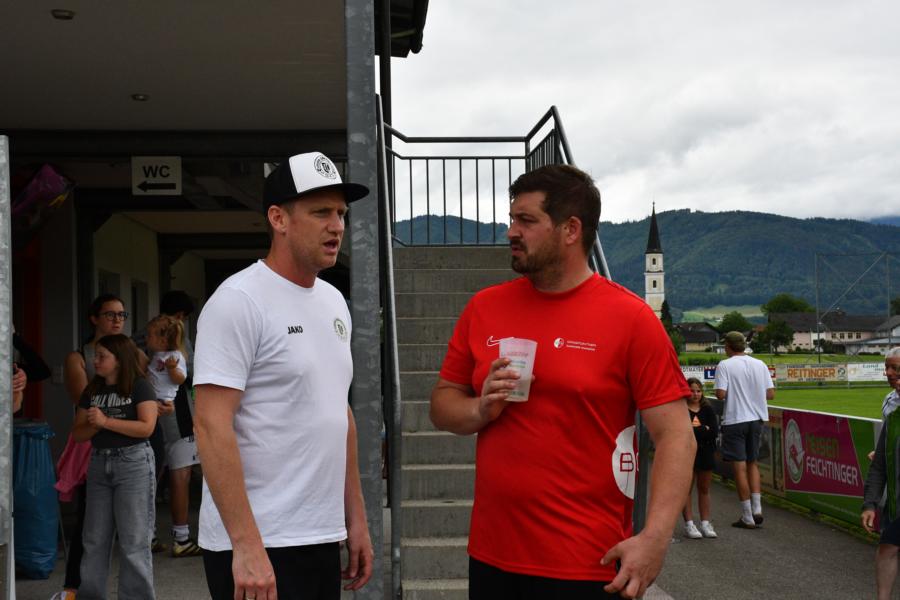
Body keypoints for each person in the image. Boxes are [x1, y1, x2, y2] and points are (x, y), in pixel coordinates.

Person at [430, 164, 695, 600]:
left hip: (589, 565)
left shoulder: (631, 318)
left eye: (526, 220)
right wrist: (481, 408)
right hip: (493, 558)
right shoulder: (484, 308)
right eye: (511, 219)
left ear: (571, 230)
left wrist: (654, 538)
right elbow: (442, 406)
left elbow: (677, 437)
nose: (511, 232)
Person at [193, 151, 374, 600]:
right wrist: (246, 545)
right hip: (259, 544)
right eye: (320, 212)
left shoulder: (333, 301)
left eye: (341, 213)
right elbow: (211, 424)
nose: (337, 226)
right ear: (278, 219)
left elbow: (338, 412)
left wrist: (356, 517)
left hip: (319, 535)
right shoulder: (238, 300)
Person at [53, 294, 130, 600]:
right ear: (94, 318)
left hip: (129, 442)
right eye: (110, 314)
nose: (117, 320)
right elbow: (84, 399)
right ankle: (73, 588)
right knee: (90, 521)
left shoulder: (132, 353)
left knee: (132, 527)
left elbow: (144, 394)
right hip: (91, 444)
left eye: (121, 315)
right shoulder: (79, 357)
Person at [72, 334, 158, 600]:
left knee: (134, 540)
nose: (95, 361)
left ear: (119, 359)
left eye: (102, 356)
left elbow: (147, 427)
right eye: (95, 356)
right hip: (99, 462)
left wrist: (105, 422)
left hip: (133, 463)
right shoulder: (92, 390)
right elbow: (78, 433)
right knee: (94, 539)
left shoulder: (140, 386)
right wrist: (95, 425)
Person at [145, 313, 202, 557]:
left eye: (149, 334)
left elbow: (183, 376)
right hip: (162, 415)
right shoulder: (150, 355)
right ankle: (178, 537)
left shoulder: (175, 355)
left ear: (163, 338)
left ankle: (172, 536)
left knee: (171, 475)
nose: (145, 337)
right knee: (174, 476)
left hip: (174, 416)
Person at [714, 330, 774, 529]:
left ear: (728, 346)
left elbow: (720, 394)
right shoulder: (760, 364)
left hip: (735, 419)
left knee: (739, 467)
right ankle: (757, 509)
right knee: (752, 464)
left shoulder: (725, 365)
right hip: (756, 418)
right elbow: (770, 394)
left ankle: (747, 515)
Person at [862, 347, 900, 600]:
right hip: (897, 499)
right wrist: (870, 504)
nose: (888, 373)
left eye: (895, 368)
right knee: (887, 547)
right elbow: (880, 464)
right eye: (887, 367)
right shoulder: (891, 408)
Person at [681, 377, 719, 539]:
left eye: (698, 391)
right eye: (692, 391)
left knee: (704, 488)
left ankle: (705, 523)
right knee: (686, 489)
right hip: (687, 452)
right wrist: (703, 429)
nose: (695, 394)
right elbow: (683, 432)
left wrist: (696, 430)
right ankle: (689, 524)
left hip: (706, 452)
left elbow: (714, 432)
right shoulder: (681, 410)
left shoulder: (708, 409)